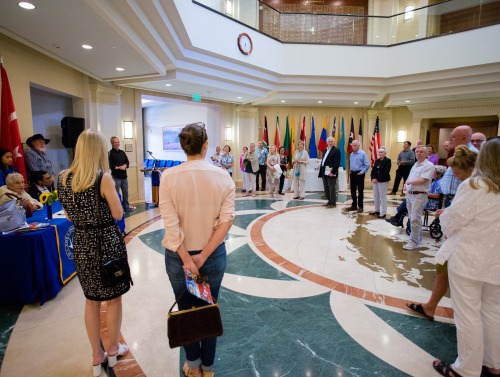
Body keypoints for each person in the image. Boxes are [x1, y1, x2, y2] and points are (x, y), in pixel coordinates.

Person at [159, 122, 235, 377]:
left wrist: (187, 259)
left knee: (187, 311)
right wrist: (203, 255)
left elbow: (171, 225)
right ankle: (208, 367)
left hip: (178, 258)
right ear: (205, 145)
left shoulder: (168, 177)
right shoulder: (222, 176)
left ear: (183, 147)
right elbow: (227, 220)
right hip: (212, 256)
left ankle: (192, 366)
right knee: (209, 308)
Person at [57, 129, 131, 377]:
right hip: (106, 242)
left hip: (82, 242)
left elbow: (68, 214)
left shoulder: (63, 178)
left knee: (91, 300)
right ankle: (112, 349)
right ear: (100, 150)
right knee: (113, 299)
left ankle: (95, 355)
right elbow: (119, 214)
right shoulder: (104, 178)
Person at [432, 137, 500, 377]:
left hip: (470, 259)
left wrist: (445, 218)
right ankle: (493, 363)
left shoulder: (476, 185)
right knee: (492, 311)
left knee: (468, 314)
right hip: (496, 261)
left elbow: (453, 221)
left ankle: (466, 370)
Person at [406, 147, 477, 325]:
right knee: (442, 268)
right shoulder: (475, 183)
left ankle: (463, 320)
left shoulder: (472, 185)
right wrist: (448, 211)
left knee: (460, 283)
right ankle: (430, 306)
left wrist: (445, 215)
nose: (456, 176)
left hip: (468, 242)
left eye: (457, 172)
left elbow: (457, 219)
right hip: (461, 237)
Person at [402, 145, 435, 250]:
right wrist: (406, 185)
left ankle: (414, 242)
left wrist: (409, 182)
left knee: (415, 219)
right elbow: (410, 177)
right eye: (417, 152)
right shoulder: (415, 164)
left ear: (426, 154)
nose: (418, 153)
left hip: (420, 194)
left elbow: (423, 180)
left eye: (421, 152)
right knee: (412, 218)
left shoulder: (429, 165)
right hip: (410, 194)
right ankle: (417, 237)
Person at [108, 136, 135, 211]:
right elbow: (110, 165)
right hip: (116, 177)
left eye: (118, 142)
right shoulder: (110, 153)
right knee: (116, 194)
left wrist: (125, 165)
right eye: (115, 142)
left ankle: (126, 206)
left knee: (125, 193)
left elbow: (127, 162)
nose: (117, 144)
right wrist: (118, 167)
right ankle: (118, 208)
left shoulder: (122, 152)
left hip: (124, 177)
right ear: (112, 143)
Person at [346, 139, 370, 213]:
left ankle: (360, 206)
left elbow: (367, 165)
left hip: (359, 174)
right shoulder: (351, 154)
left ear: (359, 145)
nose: (353, 146)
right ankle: (354, 205)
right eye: (352, 145)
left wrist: (362, 172)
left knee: (360, 191)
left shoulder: (363, 154)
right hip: (352, 174)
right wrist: (350, 170)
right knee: (352, 190)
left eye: (355, 145)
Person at [369, 147, 391, 219]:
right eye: (379, 152)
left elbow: (386, 172)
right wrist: (372, 178)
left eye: (382, 152)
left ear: (385, 153)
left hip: (383, 181)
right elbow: (373, 170)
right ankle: (377, 209)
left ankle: (383, 212)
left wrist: (378, 179)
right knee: (376, 195)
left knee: (382, 196)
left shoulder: (388, 161)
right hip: (375, 181)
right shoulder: (377, 161)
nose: (380, 153)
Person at [318, 137, 340, 208]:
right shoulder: (325, 150)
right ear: (327, 142)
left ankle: (333, 203)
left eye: (331, 141)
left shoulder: (336, 150)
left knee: (332, 188)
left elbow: (337, 163)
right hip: (324, 172)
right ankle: (329, 201)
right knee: (326, 188)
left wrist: (333, 172)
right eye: (329, 141)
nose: (330, 143)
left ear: (334, 142)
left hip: (331, 172)